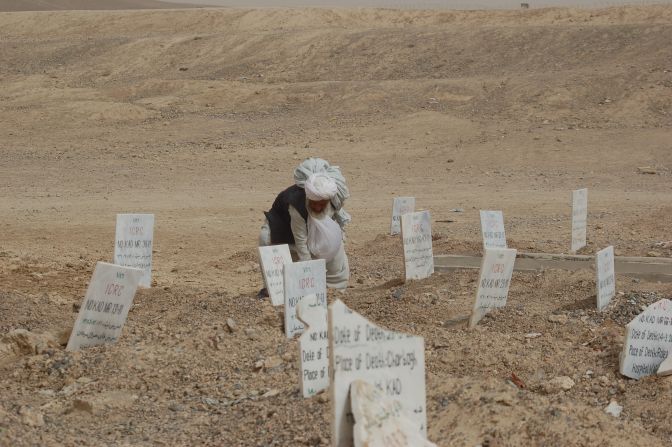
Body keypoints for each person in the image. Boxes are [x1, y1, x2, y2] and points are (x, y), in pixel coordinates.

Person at [259, 157, 350, 290]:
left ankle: (333, 291)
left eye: (322, 204)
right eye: (314, 204)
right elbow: (301, 242)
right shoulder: (296, 203)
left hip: (314, 232)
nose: (318, 208)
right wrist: (309, 276)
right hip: (282, 232)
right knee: (266, 241)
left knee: (336, 252)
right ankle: (273, 292)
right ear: (309, 197)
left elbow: (333, 229)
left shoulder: (332, 198)